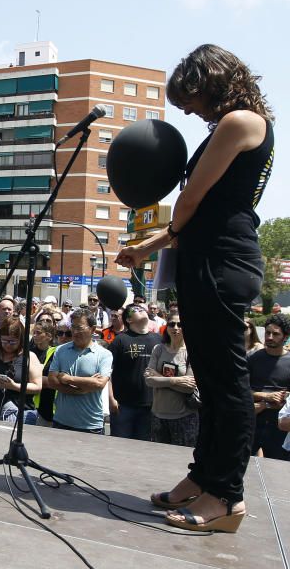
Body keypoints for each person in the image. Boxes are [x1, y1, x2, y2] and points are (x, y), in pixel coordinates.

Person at [117, 44, 274, 532]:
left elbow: (191, 200)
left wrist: (166, 229)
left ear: (212, 83)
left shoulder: (241, 123)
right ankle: (202, 477)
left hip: (223, 261)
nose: (187, 110)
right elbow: (197, 212)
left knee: (228, 386)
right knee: (211, 380)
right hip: (206, 255)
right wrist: (148, 247)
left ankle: (227, 497)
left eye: (190, 97)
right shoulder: (230, 125)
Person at [47, 308, 113, 434]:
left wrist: (68, 379)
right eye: (73, 327)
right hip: (62, 421)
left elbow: (99, 384)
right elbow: (52, 381)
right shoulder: (60, 350)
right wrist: (81, 389)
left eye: (80, 328)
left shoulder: (104, 354)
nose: (75, 332)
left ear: (93, 329)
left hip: (91, 424)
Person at [145, 311, 199, 446]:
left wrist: (159, 378)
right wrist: (177, 380)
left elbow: (189, 387)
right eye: (171, 324)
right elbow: (148, 380)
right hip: (158, 415)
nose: (175, 328)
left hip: (184, 417)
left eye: (180, 324)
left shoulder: (192, 352)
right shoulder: (158, 349)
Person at [106, 304, 159, 441]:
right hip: (123, 406)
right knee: (120, 447)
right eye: (136, 310)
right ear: (128, 320)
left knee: (143, 449)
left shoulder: (159, 340)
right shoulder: (120, 340)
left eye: (142, 309)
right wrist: (111, 399)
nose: (141, 310)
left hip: (151, 406)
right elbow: (107, 372)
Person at [247, 314, 290, 460]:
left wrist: (274, 402)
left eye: (276, 334)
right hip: (252, 422)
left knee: (278, 469)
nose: (270, 337)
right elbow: (241, 390)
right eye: (267, 333)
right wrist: (266, 397)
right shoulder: (253, 358)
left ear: (285, 336)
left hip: (279, 427)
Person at [29, 322, 58, 427]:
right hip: (29, 404)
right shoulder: (29, 351)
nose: (35, 335)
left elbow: (51, 380)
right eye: (34, 333)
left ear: (49, 336)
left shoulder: (54, 353)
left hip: (47, 404)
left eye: (38, 333)